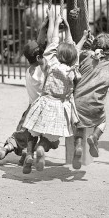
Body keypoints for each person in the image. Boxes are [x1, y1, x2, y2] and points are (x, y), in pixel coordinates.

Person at [21, 10, 83, 174]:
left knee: (32, 130)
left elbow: (52, 41)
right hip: (61, 105)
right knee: (53, 135)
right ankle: (44, 147)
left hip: (44, 102)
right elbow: (73, 49)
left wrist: (55, 23)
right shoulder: (73, 70)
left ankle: (29, 153)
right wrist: (67, 27)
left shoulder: (49, 66)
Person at [0, 36, 59, 165]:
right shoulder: (44, 71)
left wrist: (42, 28)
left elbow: (39, 49)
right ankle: (33, 151)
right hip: (46, 110)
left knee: (21, 135)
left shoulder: (29, 72)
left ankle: (4, 150)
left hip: (31, 110)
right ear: (39, 57)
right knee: (51, 138)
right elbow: (51, 48)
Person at [73, 31, 109, 162]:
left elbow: (76, 53)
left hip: (78, 101)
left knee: (79, 127)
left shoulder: (85, 56)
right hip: (96, 104)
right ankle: (94, 137)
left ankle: (78, 147)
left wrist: (88, 47)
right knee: (102, 122)